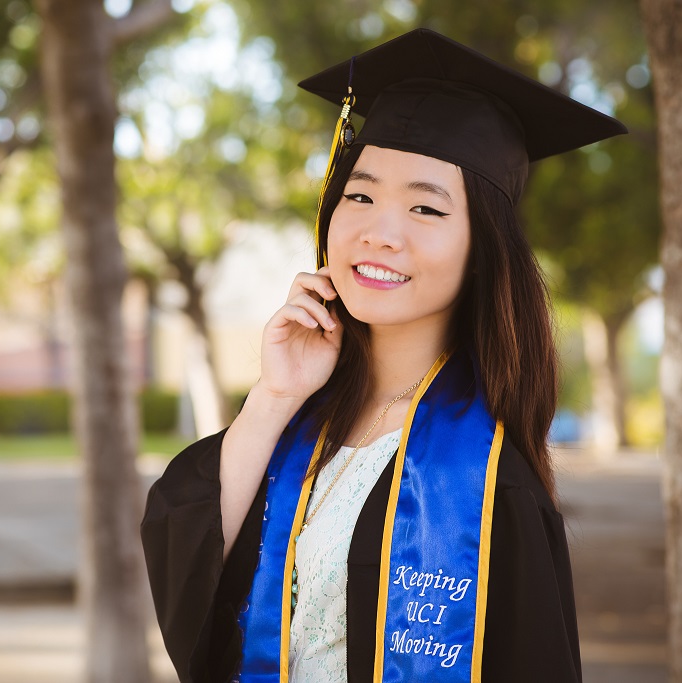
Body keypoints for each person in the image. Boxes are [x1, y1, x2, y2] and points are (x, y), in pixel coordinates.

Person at [141, 28, 627, 683]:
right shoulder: (296, 434)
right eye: (361, 194)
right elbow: (193, 564)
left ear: (482, 250)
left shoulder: (487, 487)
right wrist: (275, 396)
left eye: (426, 207)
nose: (380, 232)